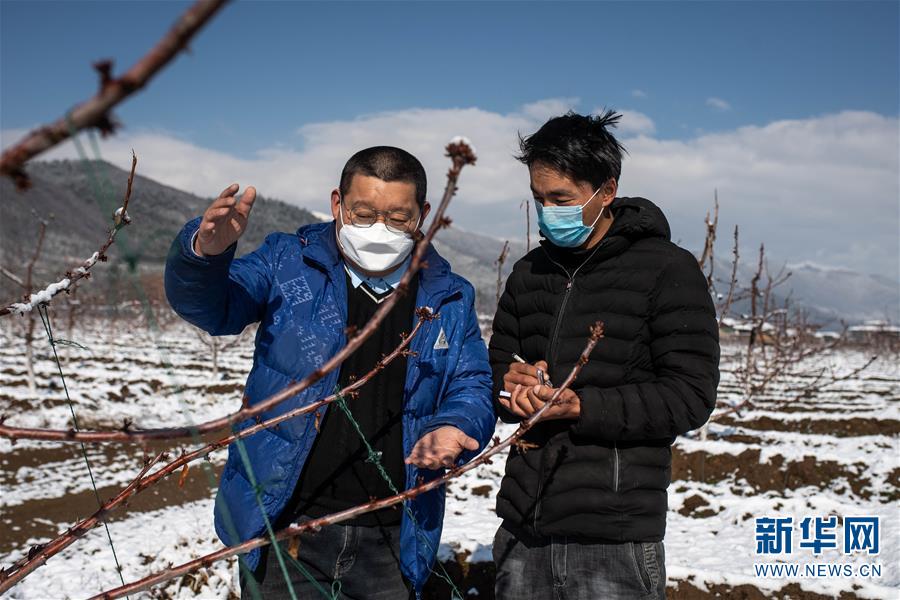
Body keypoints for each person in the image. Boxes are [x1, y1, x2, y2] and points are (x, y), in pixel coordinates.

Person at [164, 146, 495, 599]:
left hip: (393, 532)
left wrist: (455, 423)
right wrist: (205, 255)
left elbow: (471, 382)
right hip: (288, 528)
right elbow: (215, 307)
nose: (380, 229)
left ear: (422, 215)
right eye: (363, 213)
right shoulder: (288, 263)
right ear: (338, 204)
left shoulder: (448, 295)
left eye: (398, 218)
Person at [488, 111, 720, 599]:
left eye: (562, 199)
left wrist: (582, 406)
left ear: (607, 191)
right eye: (538, 198)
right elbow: (497, 368)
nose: (549, 211)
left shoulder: (666, 270)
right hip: (524, 526)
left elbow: (690, 395)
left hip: (615, 535)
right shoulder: (530, 273)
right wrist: (513, 387)